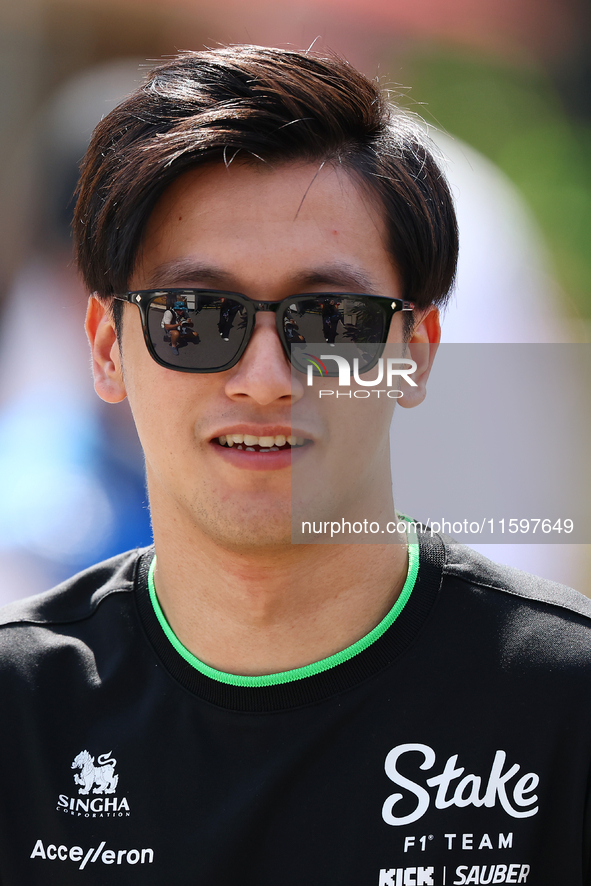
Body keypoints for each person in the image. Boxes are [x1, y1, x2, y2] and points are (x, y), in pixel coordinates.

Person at [0, 46, 589, 886]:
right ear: (105, 348)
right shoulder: (22, 710)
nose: (266, 380)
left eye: (331, 320)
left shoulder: (563, 704)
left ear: (415, 351)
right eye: (196, 318)